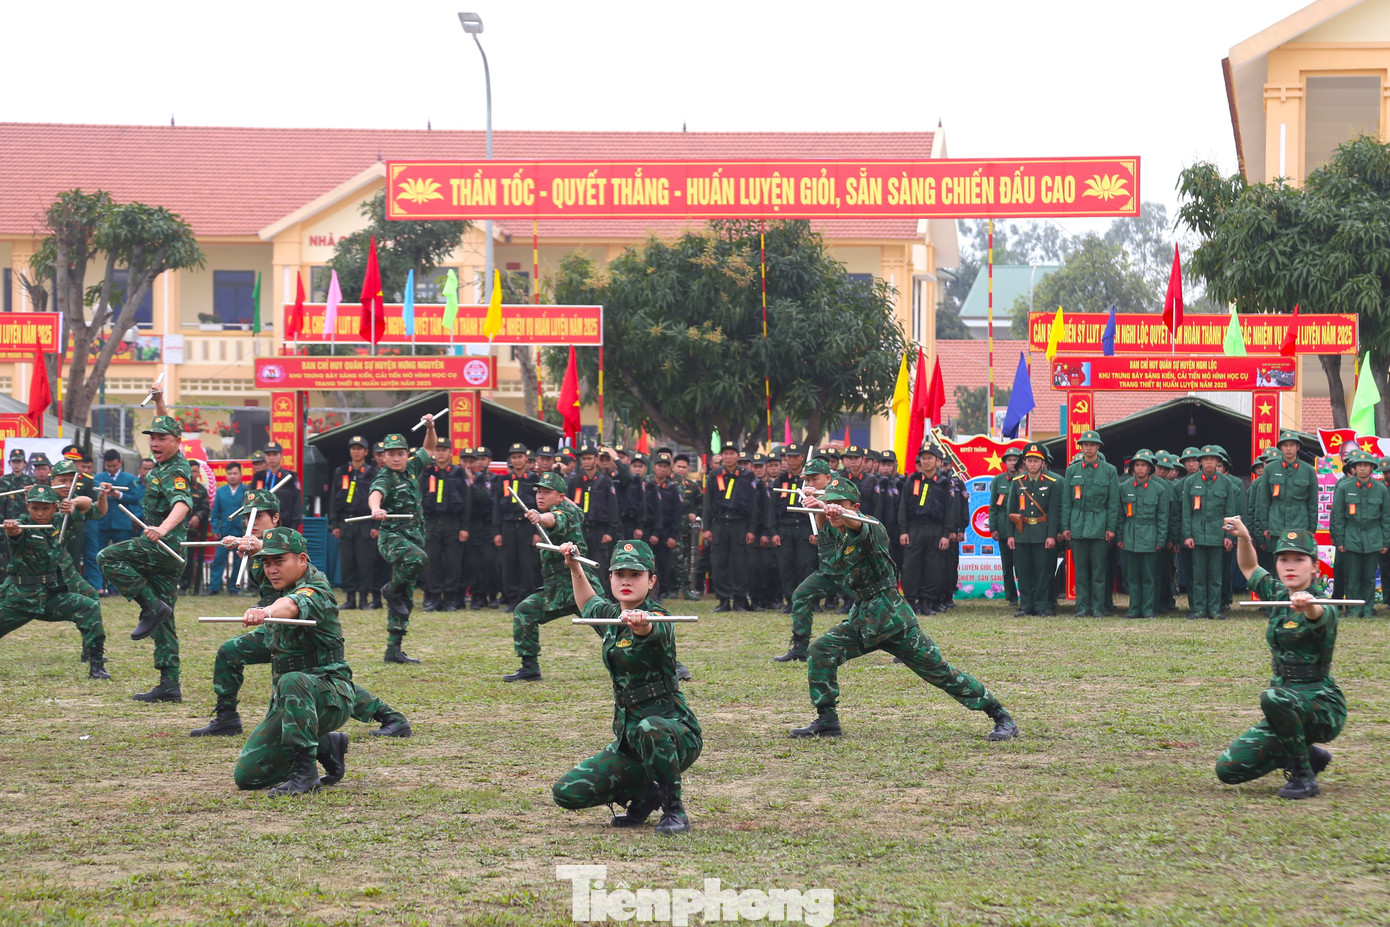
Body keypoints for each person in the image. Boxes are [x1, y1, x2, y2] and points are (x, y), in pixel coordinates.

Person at [789, 477, 1019, 741]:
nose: (833, 509)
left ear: (855, 505)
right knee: (821, 650)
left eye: (839, 503)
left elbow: (856, 524)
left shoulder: (871, 526)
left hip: (893, 620)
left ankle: (1001, 716)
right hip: (863, 619)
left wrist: (844, 513)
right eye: (829, 503)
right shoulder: (837, 530)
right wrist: (821, 513)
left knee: (941, 673)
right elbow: (829, 561)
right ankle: (827, 720)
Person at [192, 491, 411, 740]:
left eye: (258, 517)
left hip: (305, 628)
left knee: (320, 679)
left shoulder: (291, 544)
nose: (250, 524)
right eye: (246, 519)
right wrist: (247, 548)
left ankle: (389, 716)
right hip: (275, 626)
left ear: (275, 518)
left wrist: (261, 548)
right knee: (229, 652)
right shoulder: (255, 551)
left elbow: (304, 578)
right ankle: (226, 718)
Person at [551, 538, 700, 835]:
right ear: (611, 578)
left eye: (636, 575)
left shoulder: (658, 617)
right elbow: (587, 603)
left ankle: (675, 811)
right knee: (566, 791)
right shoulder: (611, 618)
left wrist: (642, 623)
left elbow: (654, 628)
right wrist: (574, 567)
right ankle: (646, 795)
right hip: (630, 742)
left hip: (673, 735)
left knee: (650, 728)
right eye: (620, 575)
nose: (627, 581)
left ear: (651, 580)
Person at [1216, 518, 1341, 800]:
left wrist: (1308, 605)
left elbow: (1317, 616)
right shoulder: (1278, 593)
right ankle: (1309, 754)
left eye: (1299, 559)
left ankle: (1303, 777)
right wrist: (1244, 537)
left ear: (1314, 567)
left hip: (1320, 705)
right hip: (1285, 704)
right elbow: (1249, 567)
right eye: (1284, 559)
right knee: (1228, 769)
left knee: (1272, 697)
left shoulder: (1323, 605)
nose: (1290, 566)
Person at [231, 528, 355, 796]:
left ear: (301, 560)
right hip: (292, 702)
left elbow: (291, 605)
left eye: (279, 562)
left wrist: (265, 611)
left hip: (330, 695)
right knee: (248, 776)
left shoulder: (315, 587)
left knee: (292, 680)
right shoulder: (280, 584)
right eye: (267, 563)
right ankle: (325, 745)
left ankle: (306, 774)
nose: (272, 570)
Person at [97, 385, 193, 703]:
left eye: (161, 439)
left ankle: (150, 606)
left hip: (161, 547)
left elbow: (182, 504)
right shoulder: (164, 462)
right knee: (165, 620)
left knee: (107, 557)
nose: (154, 443)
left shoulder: (176, 471)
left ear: (177, 443)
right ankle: (170, 684)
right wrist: (160, 401)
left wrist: (162, 529)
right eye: (151, 438)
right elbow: (166, 425)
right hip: (168, 552)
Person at [0, 484, 110, 680]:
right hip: (20, 598)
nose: (40, 513)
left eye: (45, 508)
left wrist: (73, 504)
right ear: (28, 507)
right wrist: (12, 530)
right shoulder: (23, 524)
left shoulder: (63, 521)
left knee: (89, 606)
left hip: (50, 596)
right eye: (35, 508)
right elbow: (15, 534)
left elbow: (89, 505)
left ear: (54, 507)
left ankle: (96, 664)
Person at [502, 471, 602, 682]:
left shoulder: (564, 513)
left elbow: (556, 520)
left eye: (547, 492)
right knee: (524, 612)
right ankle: (529, 667)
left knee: (612, 626)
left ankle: (670, 665)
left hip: (579, 585)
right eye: (539, 492)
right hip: (557, 588)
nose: (540, 496)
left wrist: (540, 517)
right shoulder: (564, 507)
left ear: (560, 497)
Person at [369, 428, 434, 664]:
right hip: (393, 538)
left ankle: (393, 649)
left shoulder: (412, 469)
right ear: (383, 457)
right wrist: (376, 509)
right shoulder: (384, 477)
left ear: (407, 455)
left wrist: (430, 427)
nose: (396, 458)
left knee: (405, 597)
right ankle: (390, 589)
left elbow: (429, 448)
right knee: (419, 559)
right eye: (391, 454)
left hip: (413, 537)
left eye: (400, 453)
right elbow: (376, 493)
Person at [772, 458, 843, 662]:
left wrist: (822, 502)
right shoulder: (813, 494)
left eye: (815, 479)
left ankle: (905, 646)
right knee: (801, 595)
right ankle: (800, 647)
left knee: (878, 608)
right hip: (828, 569)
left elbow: (842, 508)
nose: (809, 484)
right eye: (807, 480)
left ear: (828, 478)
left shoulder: (841, 490)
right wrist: (816, 503)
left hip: (851, 569)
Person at [1059, 430, 1119, 618]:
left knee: (1099, 570)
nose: (1089, 447)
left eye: (1092, 445)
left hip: (1100, 525)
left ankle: (1098, 607)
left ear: (1098, 447)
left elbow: (1113, 503)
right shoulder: (1072, 470)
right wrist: (1066, 527)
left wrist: (1110, 528)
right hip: (1078, 525)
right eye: (1085, 445)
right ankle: (1082, 606)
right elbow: (1067, 502)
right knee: (1081, 570)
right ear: (1081, 447)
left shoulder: (1109, 470)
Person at [1181, 445, 1241, 621]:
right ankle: (1199, 609)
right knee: (1198, 575)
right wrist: (1187, 535)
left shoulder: (1226, 483)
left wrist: (1229, 536)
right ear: (1200, 462)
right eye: (1205, 459)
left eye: (1212, 459)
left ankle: (1215, 609)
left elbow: (1230, 512)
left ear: (1217, 462)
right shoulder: (1190, 482)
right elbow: (1186, 512)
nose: (1209, 462)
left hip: (1217, 535)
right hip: (1197, 535)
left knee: (1216, 575)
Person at [1329, 448, 1387, 618]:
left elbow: (1386, 518)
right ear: (1353, 467)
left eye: (1366, 465)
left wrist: (1385, 542)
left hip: (1373, 537)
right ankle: (1353, 609)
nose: (1362, 468)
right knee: (1352, 577)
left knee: (1369, 577)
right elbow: (1338, 516)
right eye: (1359, 465)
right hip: (1351, 537)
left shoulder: (1380, 489)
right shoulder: (1344, 488)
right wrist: (1339, 540)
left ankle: (1368, 609)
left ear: (1371, 468)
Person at [1005, 443, 1061, 617]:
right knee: (1023, 571)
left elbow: (1053, 511)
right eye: (1029, 460)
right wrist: (1010, 535)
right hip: (1022, 533)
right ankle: (1026, 605)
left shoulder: (1052, 482)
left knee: (1043, 571)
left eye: (1036, 461)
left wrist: (1051, 535)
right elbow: (1011, 511)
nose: (1032, 464)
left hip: (1042, 532)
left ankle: (1041, 606)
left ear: (1042, 463)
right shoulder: (1017, 482)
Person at [898, 445, 953, 615]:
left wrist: (946, 535)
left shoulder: (945, 482)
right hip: (915, 528)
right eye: (923, 458)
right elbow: (903, 507)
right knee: (910, 566)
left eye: (930, 458)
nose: (926, 461)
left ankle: (927, 602)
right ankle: (911, 601)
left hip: (936, 530)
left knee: (933, 567)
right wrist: (903, 531)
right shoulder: (913, 480)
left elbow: (951, 510)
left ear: (937, 461)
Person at [328, 436, 380, 610]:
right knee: (347, 561)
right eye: (353, 448)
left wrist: (376, 526)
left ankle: (364, 598)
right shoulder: (341, 471)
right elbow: (333, 499)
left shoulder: (373, 473)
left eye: (360, 448)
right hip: (346, 522)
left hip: (366, 521)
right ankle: (350, 598)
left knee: (365, 562)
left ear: (366, 452)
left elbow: (380, 501)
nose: (356, 451)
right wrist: (334, 524)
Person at [702, 445, 755, 612]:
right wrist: (707, 527)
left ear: (738, 456)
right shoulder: (714, 475)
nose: (729, 457)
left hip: (739, 524)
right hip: (719, 524)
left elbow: (754, 505)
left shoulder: (747, 475)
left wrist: (751, 529)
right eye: (726, 454)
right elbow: (707, 503)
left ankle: (740, 600)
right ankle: (723, 600)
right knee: (719, 564)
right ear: (722, 456)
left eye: (732, 453)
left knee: (740, 563)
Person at [1117, 450, 1169, 619]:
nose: (1140, 469)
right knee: (1132, 576)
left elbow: (1162, 518)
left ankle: (1147, 609)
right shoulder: (1124, 488)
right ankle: (1133, 608)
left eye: (1143, 465)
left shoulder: (1159, 489)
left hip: (1149, 537)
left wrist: (1160, 540)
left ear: (1149, 468)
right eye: (1137, 465)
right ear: (1132, 468)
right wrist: (1119, 537)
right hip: (1130, 537)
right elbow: (1119, 516)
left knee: (1148, 576)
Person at [420, 436, 467, 612]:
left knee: (453, 563)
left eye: (443, 450)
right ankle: (433, 597)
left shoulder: (459, 472)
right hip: (432, 523)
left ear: (450, 452)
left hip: (453, 523)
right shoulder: (427, 472)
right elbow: (419, 497)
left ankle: (450, 598)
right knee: (432, 562)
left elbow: (467, 502)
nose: (440, 453)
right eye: (437, 450)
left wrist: (465, 527)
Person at [493, 443, 540, 612]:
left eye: (520, 457)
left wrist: (537, 532)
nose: (517, 460)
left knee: (527, 565)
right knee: (509, 564)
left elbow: (540, 506)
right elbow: (497, 507)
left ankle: (526, 599)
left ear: (526, 458)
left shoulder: (534, 480)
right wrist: (497, 531)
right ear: (510, 460)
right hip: (508, 526)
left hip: (527, 527)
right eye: (514, 457)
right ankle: (512, 599)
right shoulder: (503, 480)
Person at [90, 449, 144, 594]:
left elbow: (135, 498)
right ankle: (100, 587)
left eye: (114, 466)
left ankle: (118, 588)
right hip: (103, 522)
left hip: (122, 523)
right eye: (109, 466)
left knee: (122, 557)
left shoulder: (128, 478)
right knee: (99, 555)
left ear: (120, 463)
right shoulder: (98, 478)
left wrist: (118, 494)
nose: (112, 469)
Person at [568, 445, 620, 578]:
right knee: (579, 564)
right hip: (580, 529)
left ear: (596, 460)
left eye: (589, 458)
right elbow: (568, 506)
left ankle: (600, 596)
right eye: (584, 458)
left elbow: (612, 509)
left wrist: (609, 532)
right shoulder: (575, 481)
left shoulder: (605, 481)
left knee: (599, 565)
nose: (586, 461)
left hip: (599, 530)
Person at [988, 447, 1023, 607]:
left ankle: (1025, 594)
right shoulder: (998, 480)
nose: (1012, 463)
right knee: (1007, 565)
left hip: (1021, 528)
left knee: (1022, 565)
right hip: (1003, 527)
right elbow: (993, 506)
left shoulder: (1024, 479)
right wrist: (993, 527)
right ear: (1005, 462)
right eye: (1009, 460)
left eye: (1015, 460)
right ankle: (1011, 597)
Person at [206, 461, 248, 595]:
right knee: (219, 560)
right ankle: (214, 588)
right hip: (224, 532)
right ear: (226, 475)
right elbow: (215, 514)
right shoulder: (221, 491)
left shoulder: (247, 491)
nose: (232, 476)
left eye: (235, 473)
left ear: (241, 474)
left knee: (238, 560)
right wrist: (215, 530)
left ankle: (234, 588)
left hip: (241, 532)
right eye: (229, 473)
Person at [254, 442, 302, 531]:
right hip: (262, 526)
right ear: (265, 457)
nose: (271, 458)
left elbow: (297, 502)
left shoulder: (290, 476)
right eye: (268, 455)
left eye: (275, 454)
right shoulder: (259, 476)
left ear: (281, 456)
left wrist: (295, 525)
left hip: (285, 526)